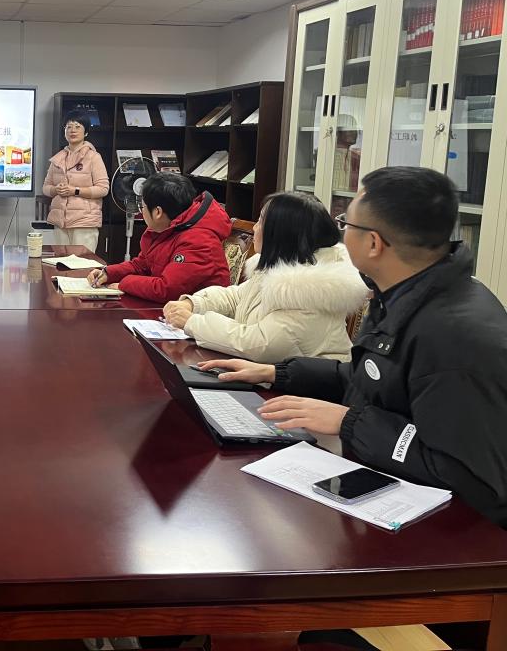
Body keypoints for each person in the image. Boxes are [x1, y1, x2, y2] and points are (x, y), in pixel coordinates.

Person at [201, 167, 507, 528]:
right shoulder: (403, 291)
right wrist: (278, 373)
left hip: (445, 536)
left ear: (374, 243)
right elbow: (377, 378)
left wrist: (350, 421)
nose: (341, 235)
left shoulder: (456, 336)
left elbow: (466, 475)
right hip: (380, 489)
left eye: (346, 224)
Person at [162, 191, 368, 363]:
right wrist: (194, 304)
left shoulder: (310, 288)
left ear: (280, 233)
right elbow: (237, 297)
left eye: (260, 221)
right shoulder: (285, 267)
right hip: (271, 378)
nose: (254, 228)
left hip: (309, 393)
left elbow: (259, 344)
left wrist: (193, 322)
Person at [87, 173, 231, 303]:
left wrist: (124, 283)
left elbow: (167, 289)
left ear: (157, 212)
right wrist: (109, 273)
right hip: (172, 308)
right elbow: (142, 265)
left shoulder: (199, 240)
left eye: (142, 206)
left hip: (199, 316)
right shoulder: (167, 226)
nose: (141, 211)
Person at [41, 113, 109, 254]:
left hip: (84, 222)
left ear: (86, 132)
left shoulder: (93, 157)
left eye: (77, 127)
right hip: (60, 222)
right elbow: (46, 188)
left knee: (82, 264)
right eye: (69, 127)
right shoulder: (58, 158)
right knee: (61, 263)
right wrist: (56, 189)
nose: (72, 130)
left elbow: (103, 189)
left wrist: (75, 190)